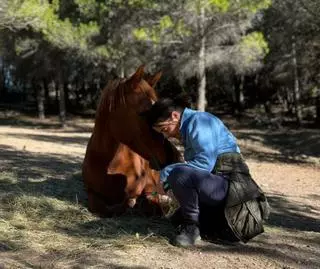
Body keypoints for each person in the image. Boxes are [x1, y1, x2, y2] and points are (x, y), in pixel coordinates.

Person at [144, 95, 269, 247]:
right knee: (174, 220)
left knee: (179, 175)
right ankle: (209, 225)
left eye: (165, 129)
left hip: (233, 192)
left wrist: (164, 175)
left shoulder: (199, 122)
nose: (167, 135)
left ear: (175, 116)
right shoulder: (191, 126)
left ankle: (192, 229)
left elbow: (203, 165)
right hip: (220, 188)